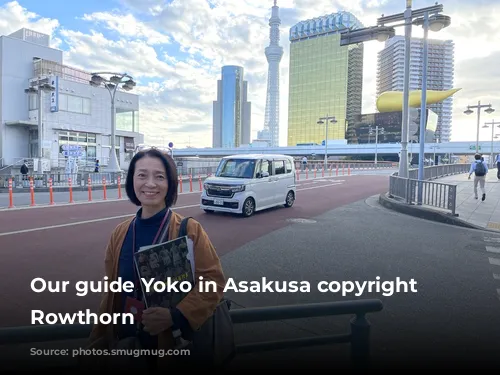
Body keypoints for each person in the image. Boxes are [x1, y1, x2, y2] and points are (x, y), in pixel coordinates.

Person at [86, 148, 226, 370]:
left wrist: (176, 316)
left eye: (159, 176)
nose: (150, 183)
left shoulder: (189, 229)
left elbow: (213, 281)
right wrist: (98, 337)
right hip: (125, 344)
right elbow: (111, 291)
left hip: (171, 347)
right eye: (142, 175)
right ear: (132, 180)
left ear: (169, 183)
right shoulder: (120, 232)